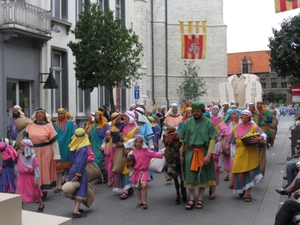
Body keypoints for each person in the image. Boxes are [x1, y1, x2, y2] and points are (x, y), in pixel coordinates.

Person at [178, 101, 218, 210]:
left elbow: (212, 140)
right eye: (194, 111)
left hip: (203, 152)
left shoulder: (208, 123)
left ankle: (200, 198)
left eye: (198, 111)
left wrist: (209, 155)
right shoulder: (187, 123)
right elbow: (181, 139)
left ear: (202, 111)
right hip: (190, 153)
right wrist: (181, 153)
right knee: (190, 176)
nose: (195, 113)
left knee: (202, 176)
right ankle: (191, 198)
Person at [23, 108, 61, 198]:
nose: (39, 114)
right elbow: (26, 139)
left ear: (44, 115)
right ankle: (34, 189)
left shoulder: (49, 126)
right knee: (33, 170)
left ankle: (43, 190)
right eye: (38, 113)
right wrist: (24, 151)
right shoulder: (31, 125)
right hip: (33, 151)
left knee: (43, 170)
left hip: (45, 150)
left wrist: (57, 155)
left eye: (41, 113)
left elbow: (54, 142)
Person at [230, 109, 265, 202]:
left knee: (250, 173)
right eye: (243, 115)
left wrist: (260, 138)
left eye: (246, 115)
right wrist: (231, 153)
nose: (244, 117)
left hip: (251, 153)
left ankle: (248, 194)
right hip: (239, 153)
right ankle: (242, 188)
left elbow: (264, 134)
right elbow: (232, 142)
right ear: (241, 116)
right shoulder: (235, 128)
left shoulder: (254, 126)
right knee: (239, 173)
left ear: (249, 117)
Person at [126, 135, 164, 209]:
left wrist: (163, 153)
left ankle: (144, 202)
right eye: (137, 142)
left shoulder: (146, 151)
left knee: (144, 186)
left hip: (143, 172)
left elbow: (155, 154)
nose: (138, 143)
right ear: (134, 143)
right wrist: (129, 164)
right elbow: (128, 163)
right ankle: (140, 201)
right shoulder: (132, 152)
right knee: (138, 187)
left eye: (140, 142)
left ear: (142, 143)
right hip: (136, 172)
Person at [113, 111, 140, 200]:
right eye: (123, 116)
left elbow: (136, 140)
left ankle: (126, 191)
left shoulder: (136, 128)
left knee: (128, 169)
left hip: (132, 151)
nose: (123, 118)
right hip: (122, 152)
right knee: (122, 169)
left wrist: (124, 144)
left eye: (125, 116)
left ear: (130, 117)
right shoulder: (122, 127)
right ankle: (128, 188)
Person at [65, 128, 90, 218]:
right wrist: (78, 174)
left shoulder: (74, 145)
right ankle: (76, 210)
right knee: (80, 189)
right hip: (79, 170)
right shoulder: (82, 148)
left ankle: (77, 208)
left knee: (76, 189)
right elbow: (80, 162)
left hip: (73, 168)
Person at [16, 139, 44, 212]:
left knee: (35, 192)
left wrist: (36, 179)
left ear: (27, 147)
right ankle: (20, 209)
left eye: (22, 146)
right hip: (22, 178)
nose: (20, 147)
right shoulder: (20, 156)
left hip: (30, 178)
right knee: (20, 193)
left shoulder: (33, 158)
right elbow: (19, 166)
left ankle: (41, 204)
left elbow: (36, 169)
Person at [53, 108, 76, 192]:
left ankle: (70, 184)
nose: (60, 115)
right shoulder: (54, 125)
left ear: (65, 115)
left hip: (68, 148)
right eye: (58, 114)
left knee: (69, 168)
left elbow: (74, 135)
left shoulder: (70, 124)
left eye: (62, 113)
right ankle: (59, 186)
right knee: (58, 169)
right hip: (58, 148)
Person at [89, 111, 110, 184]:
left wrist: (104, 144)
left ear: (101, 116)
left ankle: (105, 176)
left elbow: (107, 136)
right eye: (95, 116)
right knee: (95, 161)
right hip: (94, 146)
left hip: (101, 145)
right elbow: (90, 136)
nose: (96, 117)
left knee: (101, 161)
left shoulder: (105, 125)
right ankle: (98, 177)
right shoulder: (93, 125)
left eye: (97, 115)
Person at [209, 105, 223, 200]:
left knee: (215, 170)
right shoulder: (208, 119)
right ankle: (210, 187)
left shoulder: (221, 119)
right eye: (213, 109)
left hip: (217, 141)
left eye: (216, 109)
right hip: (210, 141)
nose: (214, 110)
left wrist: (219, 135)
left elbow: (222, 129)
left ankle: (213, 191)